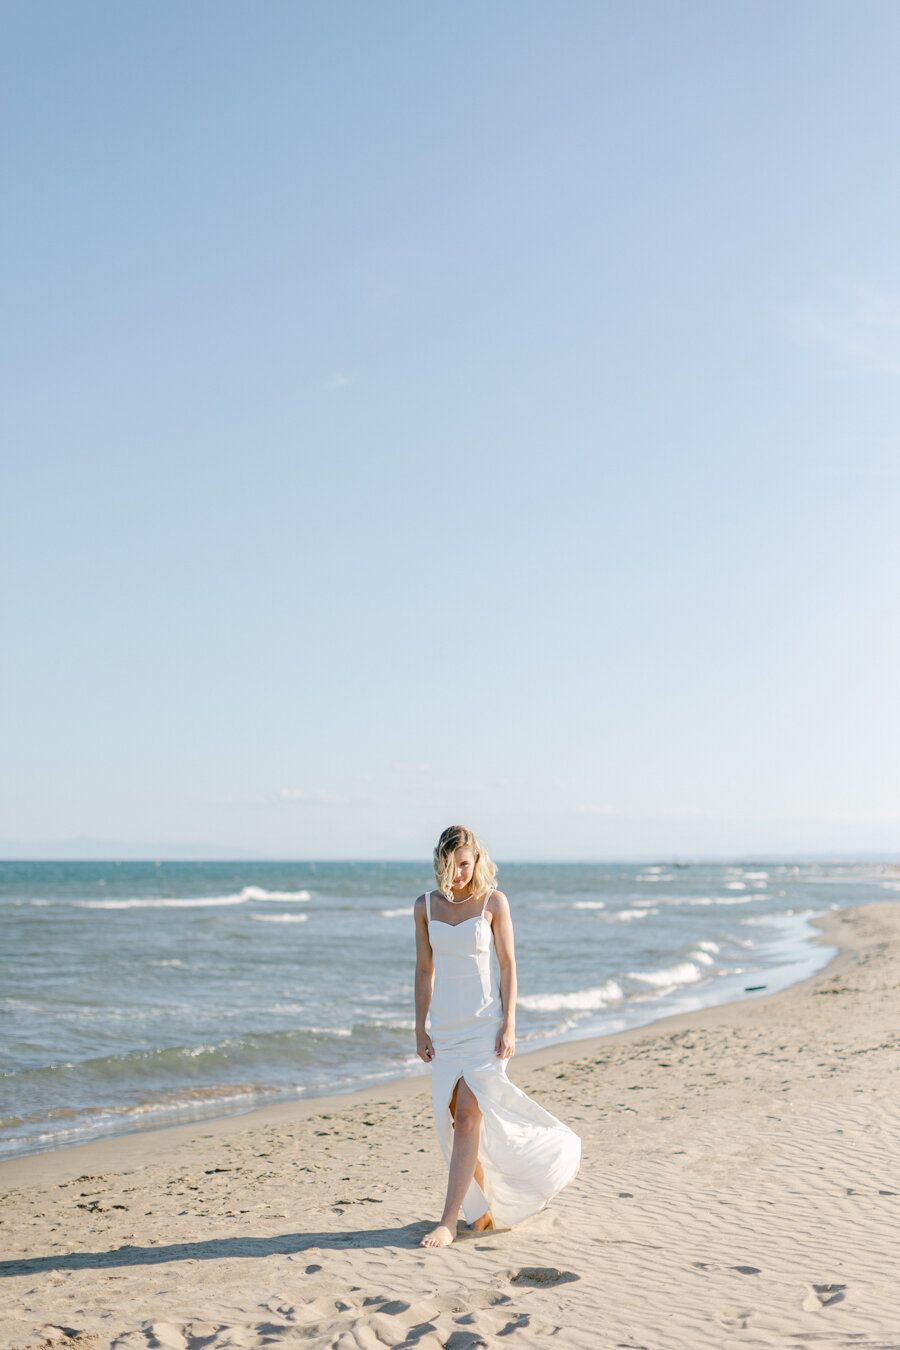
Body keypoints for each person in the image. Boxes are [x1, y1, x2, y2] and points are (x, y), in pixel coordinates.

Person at [414, 824, 582, 1248]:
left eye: (464, 865)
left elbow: (508, 965)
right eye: (449, 866)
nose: (456, 875)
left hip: (485, 1028)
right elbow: (423, 970)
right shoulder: (425, 907)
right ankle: (483, 1211)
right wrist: (420, 1027)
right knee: (457, 1121)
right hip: (446, 1031)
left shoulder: (494, 902)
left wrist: (509, 1022)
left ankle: (448, 1221)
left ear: (476, 861)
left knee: (470, 1114)